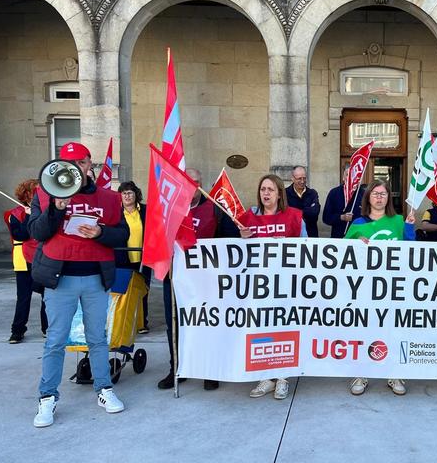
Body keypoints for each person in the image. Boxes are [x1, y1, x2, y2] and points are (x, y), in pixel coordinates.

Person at [28, 142, 128, 427]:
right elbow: (36, 232)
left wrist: (100, 232)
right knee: (56, 339)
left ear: (89, 165)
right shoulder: (45, 194)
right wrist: (57, 208)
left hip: (95, 278)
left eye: (81, 163)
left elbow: (122, 234)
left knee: (97, 337)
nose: (76, 169)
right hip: (61, 280)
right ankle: (47, 397)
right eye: (69, 163)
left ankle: (104, 388)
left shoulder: (109, 198)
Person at [158, 167, 239, 391]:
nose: (191, 186)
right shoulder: (169, 209)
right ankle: (177, 367)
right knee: (175, 324)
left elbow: (229, 242)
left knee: (208, 323)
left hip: (206, 280)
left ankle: (209, 370)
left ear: (200, 183)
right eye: (186, 181)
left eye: (195, 181)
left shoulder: (215, 209)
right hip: (174, 277)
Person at [238, 174, 306, 400]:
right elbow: (237, 254)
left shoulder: (294, 217)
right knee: (262, 331)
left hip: (286, 285)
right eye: (262, 189)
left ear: (279, 194)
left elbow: (307, 249)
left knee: (285, 329)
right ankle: (266, 377)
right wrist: (242, 237)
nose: (265, 193)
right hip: (259, 286)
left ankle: (284, 378)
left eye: (270, 190)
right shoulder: (248, 218)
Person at [345, 180, 415, 396]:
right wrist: (357, 240)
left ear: (388, 198)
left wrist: (410, 227)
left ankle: (393, 373)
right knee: (364, 329)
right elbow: (342, 252)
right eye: (375, 193)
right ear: (368, 198)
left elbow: (411, 250)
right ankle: (361, 372)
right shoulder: (357, 223)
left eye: (383, 193)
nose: (379, 197)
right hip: (364, 286)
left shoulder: (398, 221)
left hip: (393, 286)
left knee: (392, 330)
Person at [5, 178, 48, 343]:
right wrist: (29, 217)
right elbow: (20, 235)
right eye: (35, 191)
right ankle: (17, 330)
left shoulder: (45, 211)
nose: (39, 194)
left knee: (47, 295)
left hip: (43, 259)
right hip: (23, 260)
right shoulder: (15, 214)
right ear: (26, 195)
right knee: (24, 297)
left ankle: (47, 328)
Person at [115, 181, 151, 334]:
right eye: (124, 193)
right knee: (123, 292)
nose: (127, 196)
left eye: (130, 192)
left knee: (142, 291)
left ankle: (142, 323)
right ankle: (123, 324)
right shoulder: (115, 212)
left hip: (143, 258)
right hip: (123, 258)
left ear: (136, 194)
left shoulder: (145, 210)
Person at [322, 165, 366, 238]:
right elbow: (326, 218)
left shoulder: (364, 195)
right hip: (338, 239)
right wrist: (341, 217)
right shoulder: (334, 193)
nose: (350, 178)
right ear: (343, 177)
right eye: (347, 175)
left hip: (359, 239)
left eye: (353, 176)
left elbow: (370, 217)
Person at [286, 166, 320, 237]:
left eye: (304, 178)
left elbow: (315, 212)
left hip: (311, 236)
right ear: (292, 178)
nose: (302, 181)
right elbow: (286, 215)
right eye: (299, 178)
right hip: (292, 236)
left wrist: (295, 211)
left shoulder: (313, 193)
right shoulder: (284, 193)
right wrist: (308, 210)